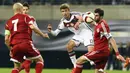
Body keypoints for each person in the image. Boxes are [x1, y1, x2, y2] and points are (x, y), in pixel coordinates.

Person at [71, 8, 125, 73]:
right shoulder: (98, 24)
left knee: (79, 61)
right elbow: (92, 21)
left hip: (100, 52)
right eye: (95, 15)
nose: (95, 17)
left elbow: (111, 39)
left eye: (97, 16)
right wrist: (82, 19)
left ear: (101, 17)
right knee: (98, 72)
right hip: (102, 53)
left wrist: (117, 54)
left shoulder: (103, 25)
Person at [4, 2, 49, 73]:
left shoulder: (8, 22)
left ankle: (25, 65)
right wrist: (43, 34)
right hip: (25, 43)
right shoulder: (26, 17)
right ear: (21, 9)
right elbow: (32, 27)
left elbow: (6, 39)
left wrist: (11, 49)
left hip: (14, 45)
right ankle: (27, 65)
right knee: (40, 60)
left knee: (16, 67)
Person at [47, 3, 94, 68]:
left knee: (91, 55)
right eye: (63, 11)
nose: (64, 13)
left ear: (69, 10)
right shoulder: (63, 21)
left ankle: (96, 64)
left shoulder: (75, 14)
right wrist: (50, 31)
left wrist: (78, 22)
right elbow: (55, 33)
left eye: (66, 11)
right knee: (69, 46)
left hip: (86, 32)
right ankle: (75, 65)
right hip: (78, 35)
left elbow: (85, 17)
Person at [18, 2, 40, 73]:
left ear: (28, 10)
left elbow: (36, 29)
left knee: (28, 60)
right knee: (38, 59)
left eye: (26, 9)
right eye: (23, 9)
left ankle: (16, 70)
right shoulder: (18, 19)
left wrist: (38, 33)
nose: (25, 11)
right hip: (22, 42)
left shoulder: (31, 18)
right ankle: (16, 70)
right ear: (21, 10)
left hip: (27, 42)